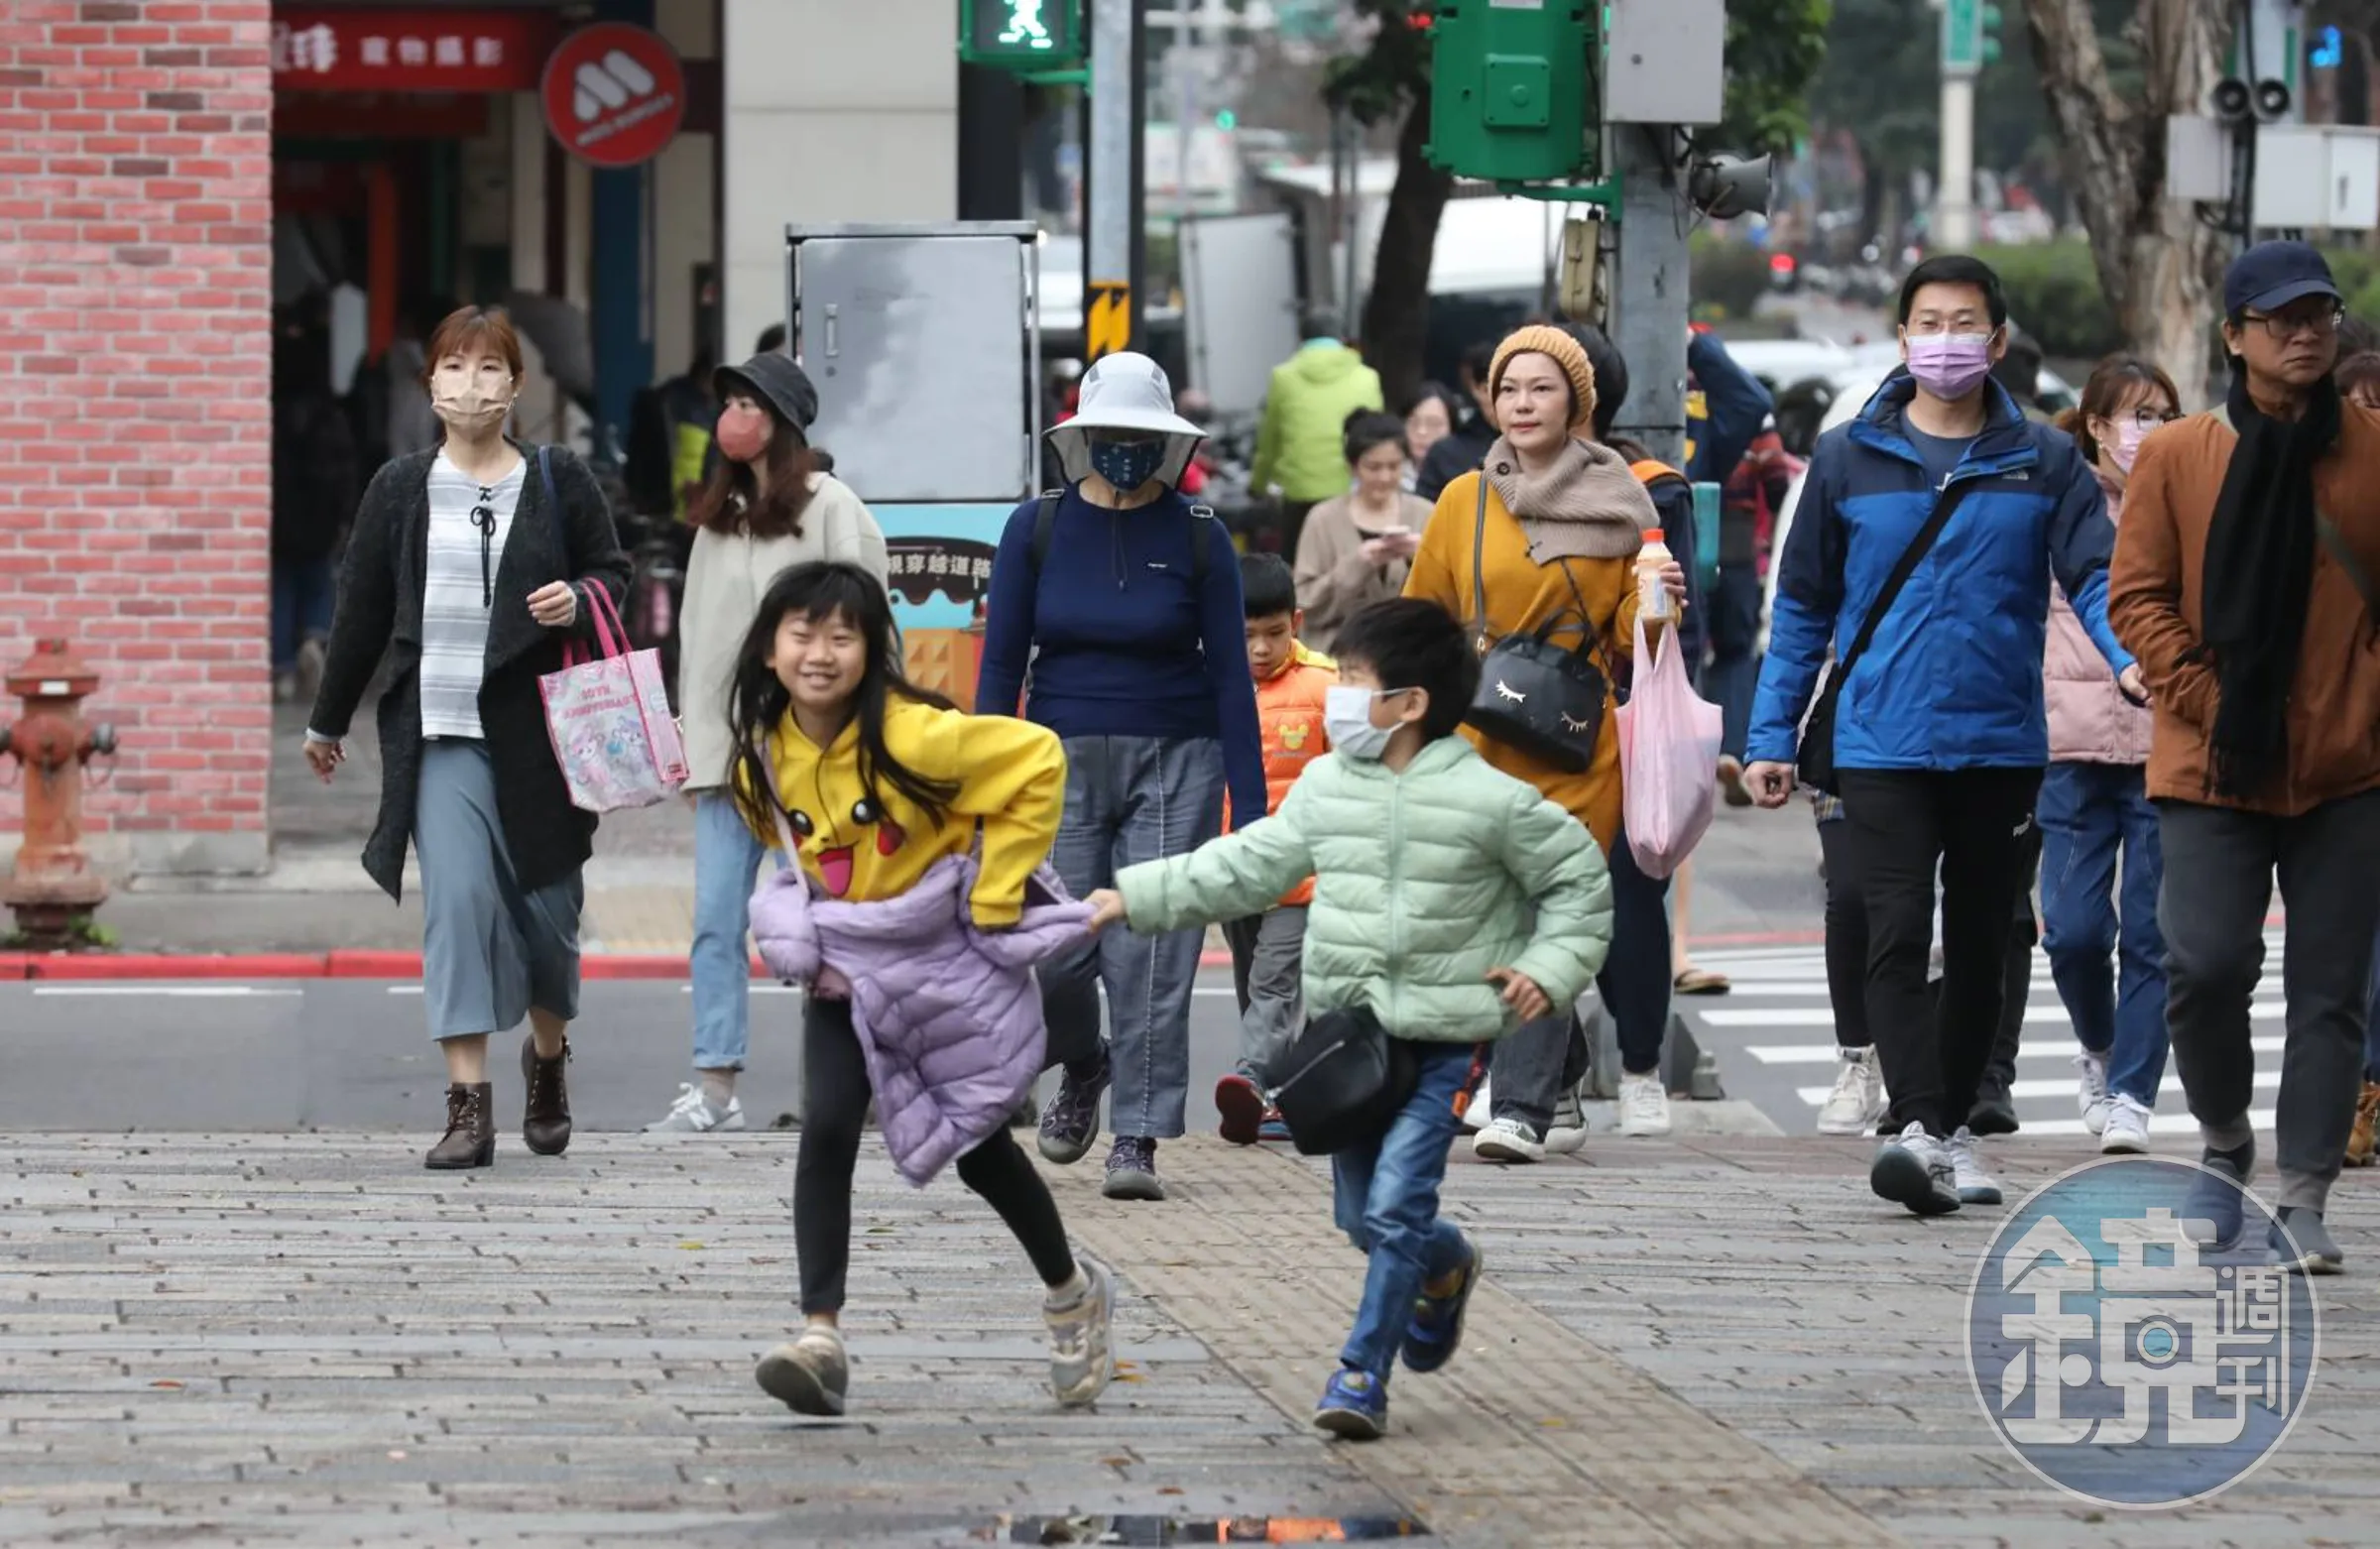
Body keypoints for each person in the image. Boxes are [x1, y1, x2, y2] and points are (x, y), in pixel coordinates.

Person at [1085, 597, 1612, 1440]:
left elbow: (1580, 884)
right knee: (1360, 1219)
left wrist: (1549, 971)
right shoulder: (1328, 786)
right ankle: (1446, 1268)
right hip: (1348, 1040)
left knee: (1397, 1207)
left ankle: (1361, 1371)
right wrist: (1135, 894)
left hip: (1443, 1039)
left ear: (1410, 704)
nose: (1337, 695)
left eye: (1355, 681)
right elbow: (1249, 865)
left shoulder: (1489, 799)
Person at [1742, 254, 2138, 1218]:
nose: (1947, 340)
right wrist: (1769, 735)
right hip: (1879, 740)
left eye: (1966, 322)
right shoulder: (1847, 457)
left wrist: (2132, 656)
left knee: (1979, 940)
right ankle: (1916, 1124)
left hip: (2000, 740)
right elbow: (1801, 608)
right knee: (1894, 926)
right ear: (1903, 335)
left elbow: (2096, 575)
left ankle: (1956, 1126)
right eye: (1929, 321)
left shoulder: (2041, 460)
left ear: (1997, 342)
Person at [730, 561, 1117, 1417]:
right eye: (802, 632)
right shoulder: (764, 753)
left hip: (946, 974)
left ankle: (1072, 1290)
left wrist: (995, 891)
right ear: (767, 648)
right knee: (828, 1126)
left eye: (842, 635)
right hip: (851, 973)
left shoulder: (915, 738)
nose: (820, 653)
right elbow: (790, 854)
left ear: (872, 651)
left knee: (980, 1149)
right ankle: (820, 1334)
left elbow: (1038, 760)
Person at [303, 305, 631, 1170]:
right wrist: (327, 720)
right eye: (453, 368)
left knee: (549, 925)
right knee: (456, 908)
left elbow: (614, 572)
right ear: (431, 385)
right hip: (441, 735)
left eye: (490, 371)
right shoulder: (400, 488)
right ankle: (467, 1108)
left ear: (517, 387)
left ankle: (548, 1061)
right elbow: (362, 612)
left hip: (544, 742)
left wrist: (580, 597)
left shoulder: (562, 480)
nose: (470, 386)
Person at [2109, 241, 2380, 1274]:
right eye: (2282, 319)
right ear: (2235, 336)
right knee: (2205, 963)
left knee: (2330, 990)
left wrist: (2361, 704)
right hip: (2212, 759)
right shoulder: (2179, 453)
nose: (2307, 332)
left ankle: (2305, 1194)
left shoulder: (2371, 446)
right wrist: (2212, 699)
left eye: (2320, 314)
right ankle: (2224, 1133)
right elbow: (2137, 597)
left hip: (2349, 764)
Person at [976, 351, 1267, 1202]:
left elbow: (1229, 679)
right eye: (1111, 434)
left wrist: (1249, 811)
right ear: (1082, 438)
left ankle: (1137, 1135)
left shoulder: (1200, 535)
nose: (1126, 450)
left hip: (1177, 757)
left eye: (1143, 437)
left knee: (1152, 954)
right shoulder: (1034, 529)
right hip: (1053, 760)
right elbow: (1000, 666)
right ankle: (1085, 1064)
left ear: (1170, 444)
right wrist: (979, 783)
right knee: (1058, 951)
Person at [1402, 323, 1689, 1152]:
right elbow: (1427, 613)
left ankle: (1519, 1111)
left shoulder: (1625, 501)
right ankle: (1555, 1074)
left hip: (1573, 739)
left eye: (1543, 389)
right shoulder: (1465, 497)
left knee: (1539, 918)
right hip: (1477, 731)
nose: (1522, 404)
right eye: (1509, 388)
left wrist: (1656, 599)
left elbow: (1639, 638)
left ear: (1578, 403)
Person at [646, 352, 890, 1134]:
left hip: (816, 758)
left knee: (827, 924)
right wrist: (692, 740)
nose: (734, 418)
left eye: (751, 403)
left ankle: (850, 1083)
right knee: (717, 921)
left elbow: (870, 625)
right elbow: (699, 635)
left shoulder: (831, 507)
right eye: (731, 402)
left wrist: (868, 740)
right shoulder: (719, 519)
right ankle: (714, 1086)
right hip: (727, 762)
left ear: (783, 423)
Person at [2034, 354, 2180, 1154]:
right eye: (2133, 414)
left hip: (2165, 746)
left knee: (2153, 935)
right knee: (2075, 932)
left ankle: (2131, 1096)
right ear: (2094, 423)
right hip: (2072, 744)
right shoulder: (2061, 501)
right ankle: (2098, 1048)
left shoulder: (2187, 500)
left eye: (2161, 414)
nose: (2145, 431)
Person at [1215, 553, 1336, 1143]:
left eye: (1274, 633)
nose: (1261, 648)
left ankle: (1253, 1079)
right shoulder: (1208, 685)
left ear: (1297, 622)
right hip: (1235, 868)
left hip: (1299, 875)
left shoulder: (1324, 686)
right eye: (1246, 636)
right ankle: (1280, 1098)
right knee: (1255, 984)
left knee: (1272, 983)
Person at [271, 303, 360, 707]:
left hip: (281, 513)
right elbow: (345, 466)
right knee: (320, 580)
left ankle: (284, 668)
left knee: (282, 587)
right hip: (320, 511)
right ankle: (314, 635)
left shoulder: (270, 413)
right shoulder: (330, 416)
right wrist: (346, 512)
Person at [1711, 417, 1803, 806]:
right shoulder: (1749, 418)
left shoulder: (1658, 403)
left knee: (1680, 652)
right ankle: (1732, 747)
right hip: (1735, 546)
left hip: (1672, 538)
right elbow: (1779, 481)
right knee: (1735, 652)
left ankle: (1696, 756)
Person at [1292, 411, 1434, 653]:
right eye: (1373, 467)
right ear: (1353, 467)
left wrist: (1421, 557)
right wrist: (1354, 566)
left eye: (1394, 466)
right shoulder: (1322, 519)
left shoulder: (1425, 513)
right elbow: (1302, 603)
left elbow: (1453, 595)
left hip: (1410, 654)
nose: (1385, 477)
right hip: (1338, 656)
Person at [1252, 316, 1385, 555]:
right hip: (1352, 491)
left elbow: (1269, 441)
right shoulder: (1368, 377)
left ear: (1301, 341)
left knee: (1296, 567)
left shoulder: (1283, 377)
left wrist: (1257, 484)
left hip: (1300, 494)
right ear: (1343, 341)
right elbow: (1378, 437)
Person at [1413, 342, 1501, 502]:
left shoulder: (1544, 446)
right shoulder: (1446, 454)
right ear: (1478, 389)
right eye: (1507, 389)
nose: (1520, 401)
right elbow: (1426, 517)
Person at [1401, 382, 1464, 473]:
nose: (1422, 432)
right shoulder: (1390, 477)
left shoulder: (1464, 477)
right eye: (1414, 423)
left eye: (1433, 424)